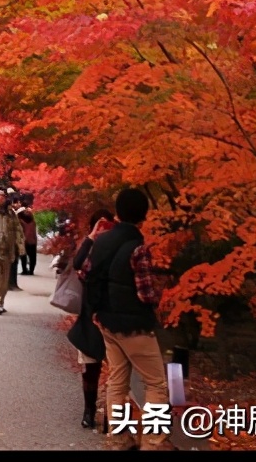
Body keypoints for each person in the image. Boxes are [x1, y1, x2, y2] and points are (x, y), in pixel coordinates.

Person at [85, 188, 170, 450]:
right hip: (134, 325)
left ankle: (119, 438)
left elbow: (86, 273)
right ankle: (153, 443)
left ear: (119, 212)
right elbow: (145, 294)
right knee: (156, 383)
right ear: (143, 215)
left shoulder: (101, 241)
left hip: (106, 322)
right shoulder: (138, 248)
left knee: (117, 380)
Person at [59, 209, 115, 429]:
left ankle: (111, 416)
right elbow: (78, 263)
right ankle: (89, 411)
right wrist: (91, 238)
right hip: (89, 315)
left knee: (117, 371)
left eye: (108, 226)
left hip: (110, 315)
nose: (104, 230)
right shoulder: (89, 248)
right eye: (99, 226)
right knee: (91, 367)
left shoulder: (117, 249)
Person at [17, 201, 38, 275]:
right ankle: (31, 270)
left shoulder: (20, 221)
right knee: (32, 257)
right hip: (32, 240)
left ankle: (24, 270)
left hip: (24, 240)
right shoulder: (33, 221)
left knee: (23, 256)